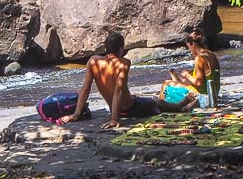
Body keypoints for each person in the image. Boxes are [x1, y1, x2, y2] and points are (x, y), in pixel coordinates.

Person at [60, 32, 195, 129]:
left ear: (105, 47)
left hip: (118, 108)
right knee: (156, 102)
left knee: (143, 99)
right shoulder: (124, 63)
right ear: (121, 49)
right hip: (130, 108)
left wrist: (76, 114)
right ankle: (180, 106)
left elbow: (85, 88)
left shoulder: (93, 61)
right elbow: (118, 90)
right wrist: (114, 119)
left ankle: (179, 105)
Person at [160, 28, 220, 109]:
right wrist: (192, 73)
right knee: (181, 81)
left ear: (193, 45)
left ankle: (161, 107)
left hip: (203, 98)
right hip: (213, 95)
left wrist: (187, 75)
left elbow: (199, 83)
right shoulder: (211, 54)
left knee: (166, 84)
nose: (190, 50)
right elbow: (207, 75)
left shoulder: (199, 58)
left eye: (189, 47)